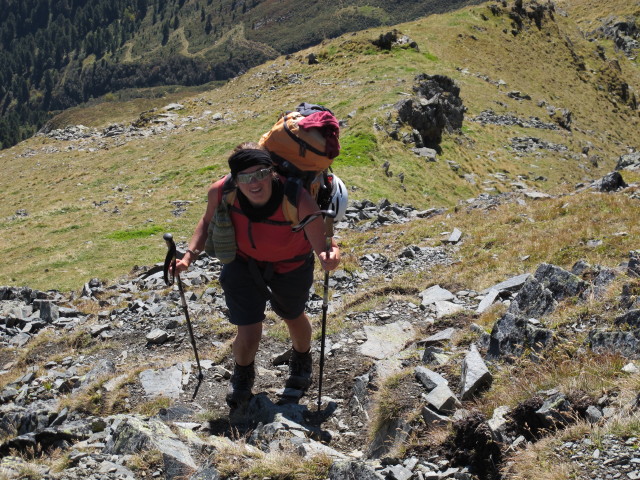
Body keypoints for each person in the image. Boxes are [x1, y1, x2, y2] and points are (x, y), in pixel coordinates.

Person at [173, 143, 340, 408]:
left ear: (272, 172)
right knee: (248, 327)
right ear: (235, 180)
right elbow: (206, 222)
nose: (254, 183)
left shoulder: (297, 198)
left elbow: (323, 244)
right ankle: (242, 377)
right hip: (243, 263)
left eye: (260, 174)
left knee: (293, 316)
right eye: (245, 178)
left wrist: (328, 257)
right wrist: (188, 256)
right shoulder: (221, 191)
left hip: (291, 265)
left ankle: (301, 360)